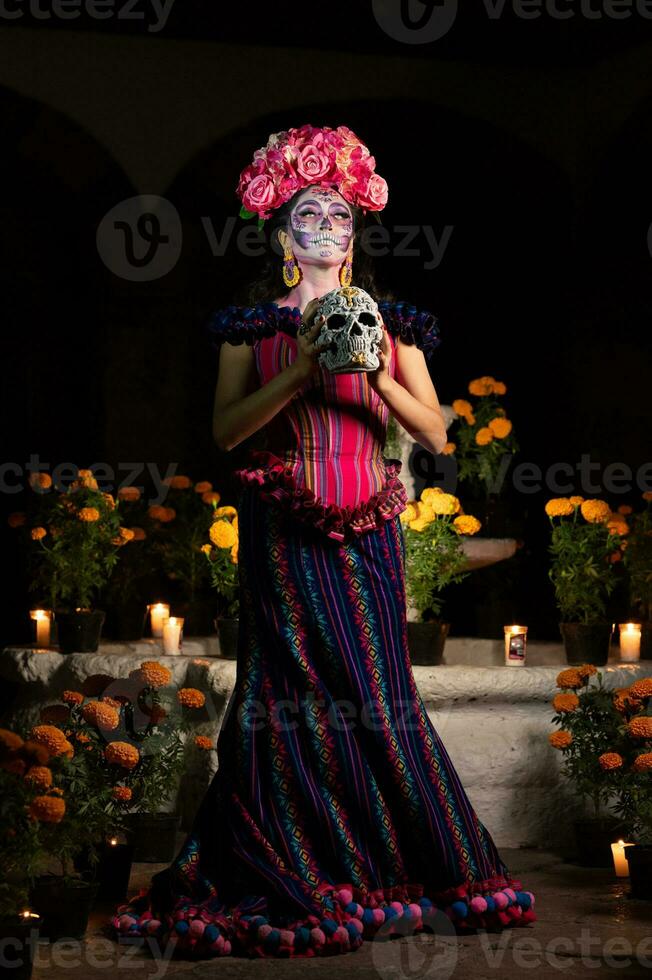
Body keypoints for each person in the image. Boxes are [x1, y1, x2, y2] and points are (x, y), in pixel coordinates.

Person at [110, 123, 536, 959]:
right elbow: (229, 434)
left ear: (355, 234)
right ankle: (299, 860)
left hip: (367, 529)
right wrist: (301, 372)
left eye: (340, 216)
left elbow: (439, 435)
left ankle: (391, 860)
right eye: (310, 213)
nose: (326, 227)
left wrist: (375, 369)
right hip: (281, 530)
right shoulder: (250, 327)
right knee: (286, 696)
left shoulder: (396, 323)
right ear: (280, 233)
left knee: (375, 692)